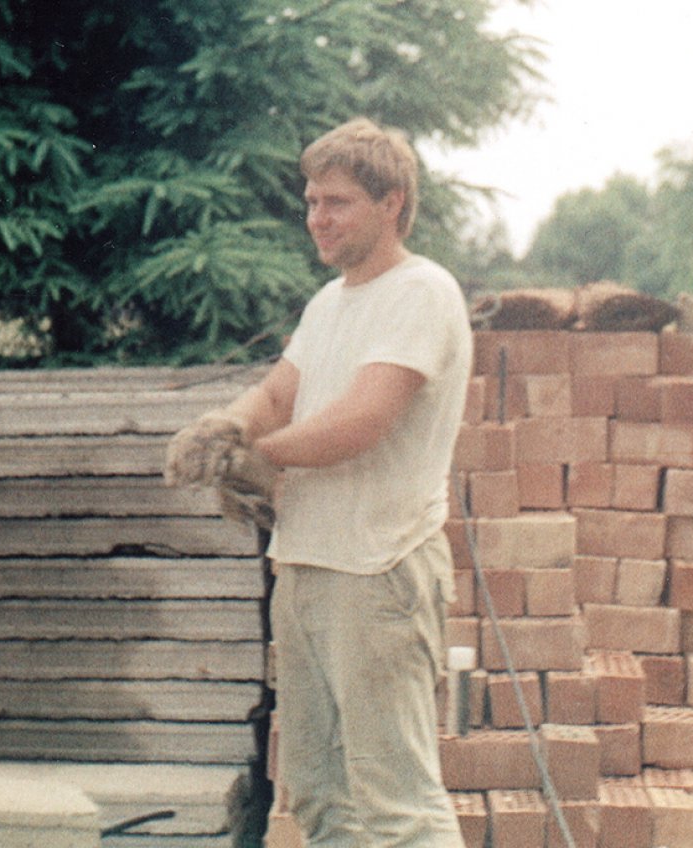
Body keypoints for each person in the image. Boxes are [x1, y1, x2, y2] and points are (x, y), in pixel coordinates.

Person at [166, 117, 472, 846]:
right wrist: (225, 429)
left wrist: (260, 455)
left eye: (336, 202)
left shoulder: (422, 293)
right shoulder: (330, 303)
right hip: (307, 567)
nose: (317, 218)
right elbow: (276, 394)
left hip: (380, 573)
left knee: (398, 806)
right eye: (310, 202)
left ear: (392, 202)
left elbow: (359, 422)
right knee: (322, 799)